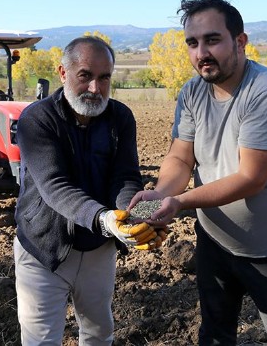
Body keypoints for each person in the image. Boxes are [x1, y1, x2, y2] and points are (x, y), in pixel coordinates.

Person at [129, 0, 267, 345]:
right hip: (215, 241)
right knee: (215, 335)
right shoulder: (192, 92)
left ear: (240, 41)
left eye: (212, 40)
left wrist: (179, 203)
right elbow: (181, 159)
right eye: (192, 43)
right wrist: (160, 194)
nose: (201, 52)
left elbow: (251, 178)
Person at [13, 36, 160, 345]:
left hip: (98, 248)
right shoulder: (37, 119)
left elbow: (125, 178)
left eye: (104, 77)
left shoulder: (120, 118)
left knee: (98, 333)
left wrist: (137, 217)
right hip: (44, 248)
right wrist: (105, 219)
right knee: (41, 341)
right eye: (86, 76)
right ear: (63, 73)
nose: (95, 87)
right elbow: (54, 186)